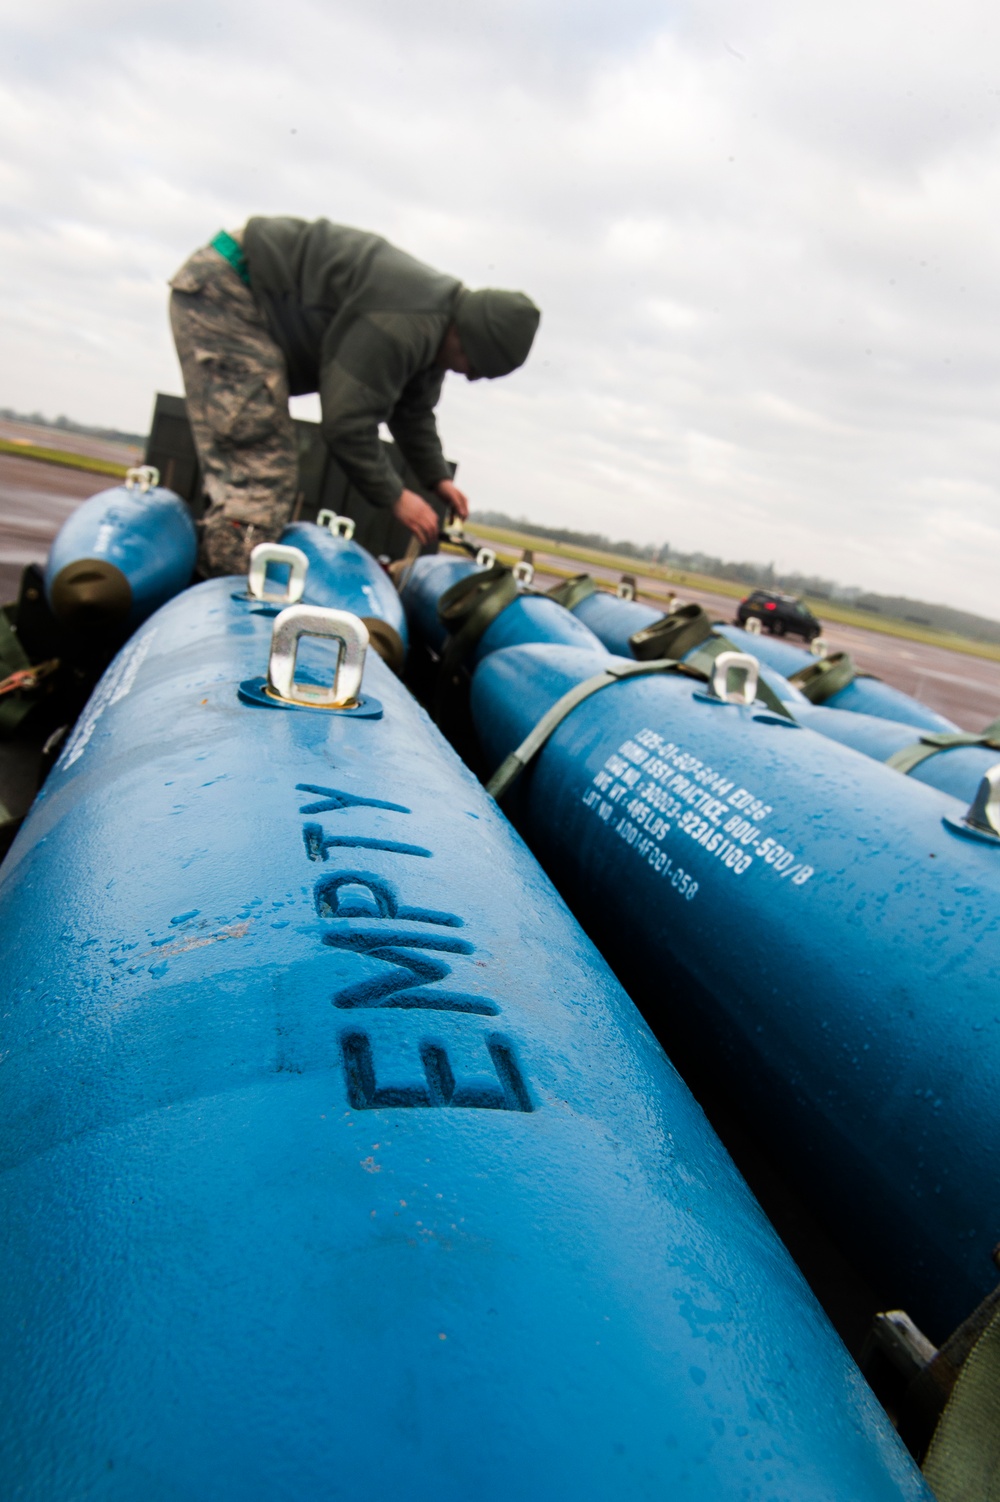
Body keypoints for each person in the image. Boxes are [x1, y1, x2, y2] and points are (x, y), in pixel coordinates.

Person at [168, 217, 541, 576]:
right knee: (260, 475)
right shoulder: (405, 321)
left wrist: (437, 478)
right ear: (470, 337)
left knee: (262, 473)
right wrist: (397, 497)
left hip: (242, 288)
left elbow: (413, 411)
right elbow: (346, 423)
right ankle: (220, 595)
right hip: (229, 289)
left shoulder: (436, 326)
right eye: (473, 366)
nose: (470, 377)